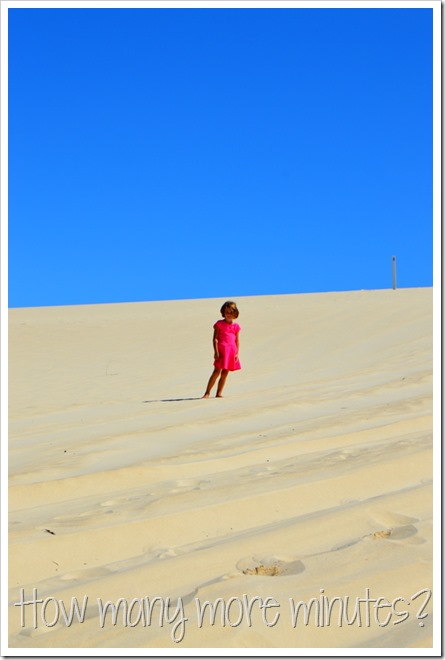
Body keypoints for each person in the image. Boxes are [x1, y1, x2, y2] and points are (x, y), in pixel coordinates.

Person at [202, 301, 241, 398]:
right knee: (216, 371)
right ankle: (207, 392)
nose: (228, 314)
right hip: (221, 351)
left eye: (230, 312)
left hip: (231, 352)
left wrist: (237, 353)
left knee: (225, 373)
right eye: (226, 312)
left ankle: (219, 393)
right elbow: (215, 338)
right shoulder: (219, 324)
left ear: (235, 313)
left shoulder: (236, 326)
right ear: (223, 312)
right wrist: (216, 351)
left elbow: (237, 341)